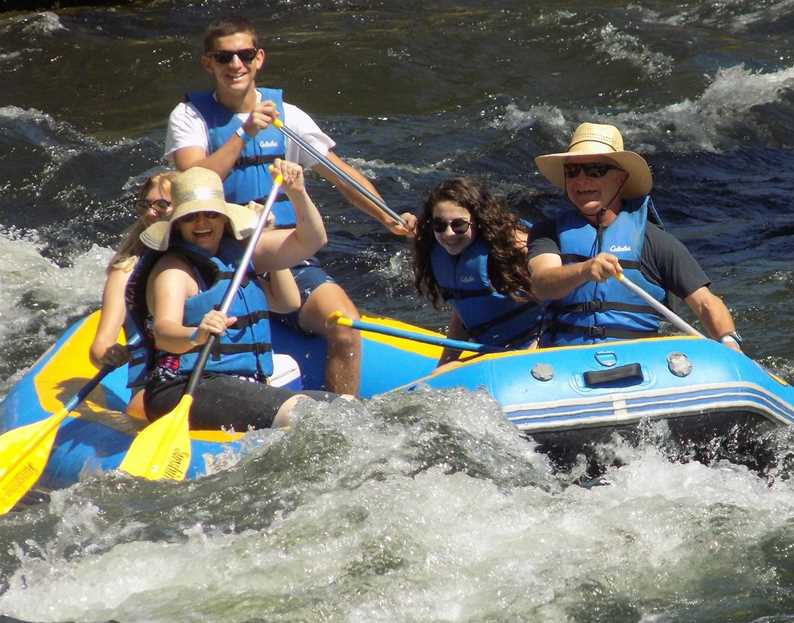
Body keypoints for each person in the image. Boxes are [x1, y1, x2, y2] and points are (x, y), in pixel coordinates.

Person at [164, 15, 413, 395]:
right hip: (218, 251)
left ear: (259, 58)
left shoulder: (287, 116)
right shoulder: (190, 116)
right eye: (224, 57)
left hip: (284, 253)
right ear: (208, 63)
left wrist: (387, 217)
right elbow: (195, 181)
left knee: (345, 325)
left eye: (244, 55)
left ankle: (343, 420)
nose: (235, 65)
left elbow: (340, 174)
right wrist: (244, 132)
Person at [137, 162, 338, 432]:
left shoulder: (239, 255)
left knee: (345, 407)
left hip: (242, 384)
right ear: (178, 224)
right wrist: (196, 334)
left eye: (211, 214)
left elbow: (292, 291)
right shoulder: (174, 270)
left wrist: (297, 194)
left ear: (224, 218)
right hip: (186, 387)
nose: (201, 223)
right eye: (190, 217)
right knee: (304, 413)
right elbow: (163, 332)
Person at [528, 122, 744, 351]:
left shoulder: (655, 241)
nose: (581, 181)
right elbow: (542, 284)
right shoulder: (548, 233)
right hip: (566, 361)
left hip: (641, 365)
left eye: (595, 171)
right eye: (572, 172)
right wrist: (583, 270)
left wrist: (729, 342)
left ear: (620, 179)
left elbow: (705, 303)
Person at [413, 177, 543, 366]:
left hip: (540, 347)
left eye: (459, 225)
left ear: (478, 221)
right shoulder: (441, 254)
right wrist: (446, 363)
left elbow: (561, 299)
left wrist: (533, 353)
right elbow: (466, 310)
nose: (448, 234)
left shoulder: (514, 246)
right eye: (439, 225)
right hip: (497, 353)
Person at [89, 171, 177, 419]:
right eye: (145, 205)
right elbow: (100, 346)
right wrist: (109, 352)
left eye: (162, 205)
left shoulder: (207, 258)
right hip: (154, 382)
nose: (151, 213)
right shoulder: (126, 271)